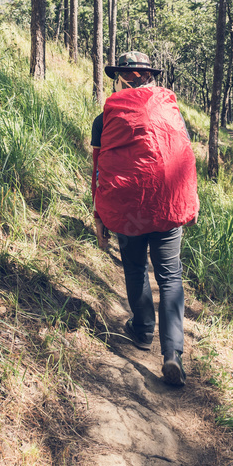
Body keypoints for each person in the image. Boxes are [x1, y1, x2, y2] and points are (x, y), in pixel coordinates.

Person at [91, 51, 199, 387]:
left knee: (136, 267)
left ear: (120, 77)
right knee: (169, 277)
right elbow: (183, 157)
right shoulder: (173, 115)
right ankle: (172, 355)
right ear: (149, 76)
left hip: (128, 209)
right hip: (168, 206)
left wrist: (99, 215)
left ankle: (142, 331)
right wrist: (189, 202)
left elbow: (97, 170)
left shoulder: (104, 119)